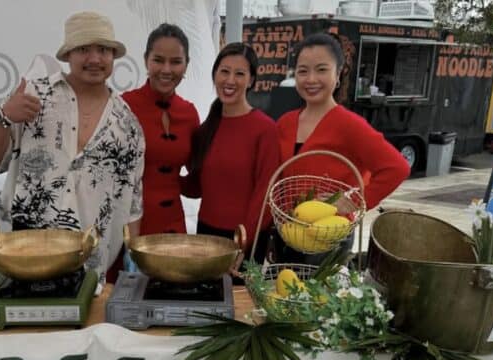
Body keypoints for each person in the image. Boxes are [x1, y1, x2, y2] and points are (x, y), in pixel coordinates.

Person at [0, 11, 145, 283]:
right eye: (83, 49)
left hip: (89, 265)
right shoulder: (33, 96)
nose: (94, 59)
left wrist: (134, 261)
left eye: (103, 50)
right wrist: (4, 115)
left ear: (113, 56)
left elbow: (133, 203)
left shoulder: (127, 124)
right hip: (26, 255)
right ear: (68, 55)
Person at [275, 33, 410, 262]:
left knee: (319, 297)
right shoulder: (286, 122)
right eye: (303, 70)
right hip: (289, 232)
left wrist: (355, 200)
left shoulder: (349, 125)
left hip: (328, 237)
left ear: (338, 75)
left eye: (321, 69)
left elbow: (396, 168)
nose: (311, 79)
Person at [185, 42, 281, 265]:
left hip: (245, 239)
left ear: (251, 80)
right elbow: (199, 186)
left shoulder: (265, 129)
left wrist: (242, 245)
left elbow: (265, 194)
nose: (230, 81)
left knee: (239, 300)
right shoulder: (206, 128)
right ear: (215, 74)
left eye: (239, 74)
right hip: (206, 235)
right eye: (224, 71)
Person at [122, 23, 199, 235]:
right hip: (131, 228)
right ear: (146, 60)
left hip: (173, 225)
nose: (166, 70)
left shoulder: (189, 113)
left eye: (175, 62)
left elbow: (198, 174)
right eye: (158, 60)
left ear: (186, 64)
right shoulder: (123, 106)